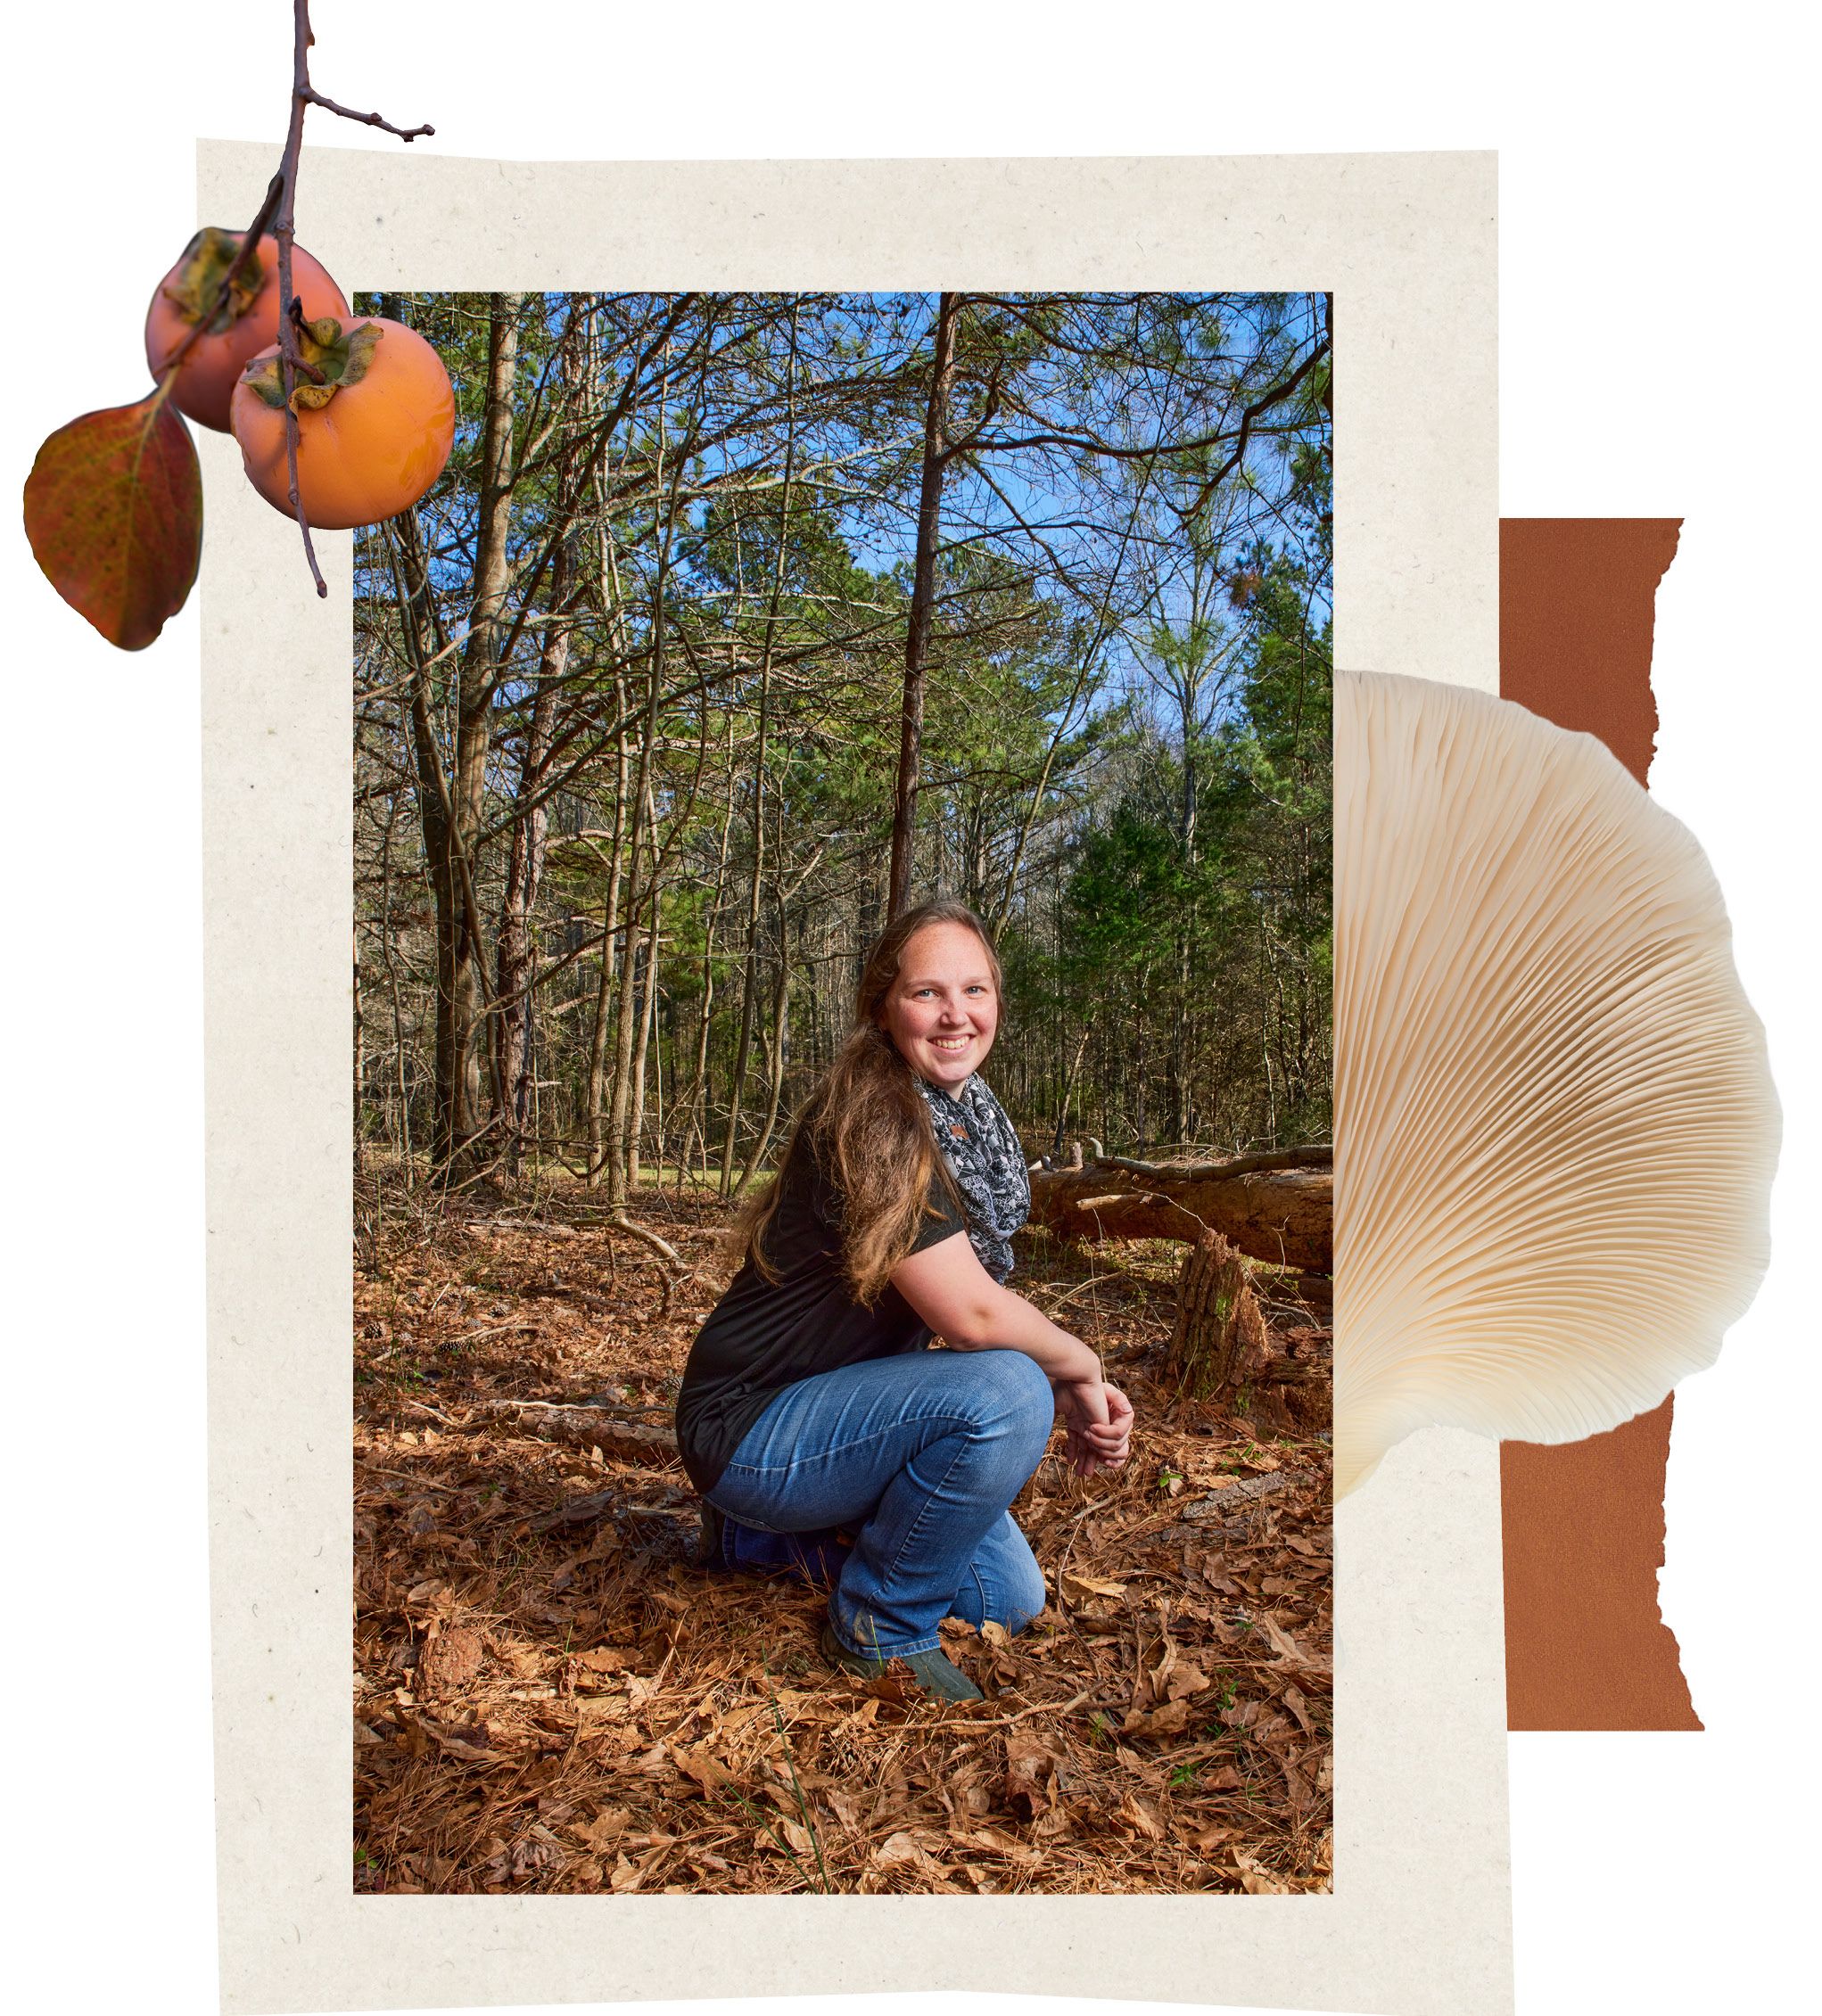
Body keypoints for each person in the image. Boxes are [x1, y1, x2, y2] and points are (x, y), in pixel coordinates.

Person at [675, 898, 1133, 1702]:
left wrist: (1066, 1386)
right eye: (927, 993)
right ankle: (881, 1625)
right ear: (882, 1006)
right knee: (1005, 1391)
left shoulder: (961, 1121)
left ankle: (761, 1539)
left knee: (1006, 1600)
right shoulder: (875, 1120)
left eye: (975, 990)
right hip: (751, 1424)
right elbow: (973, 1316)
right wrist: (1079, 1362)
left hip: (839, 1417)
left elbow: (972, 1308)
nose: (955, 1014)